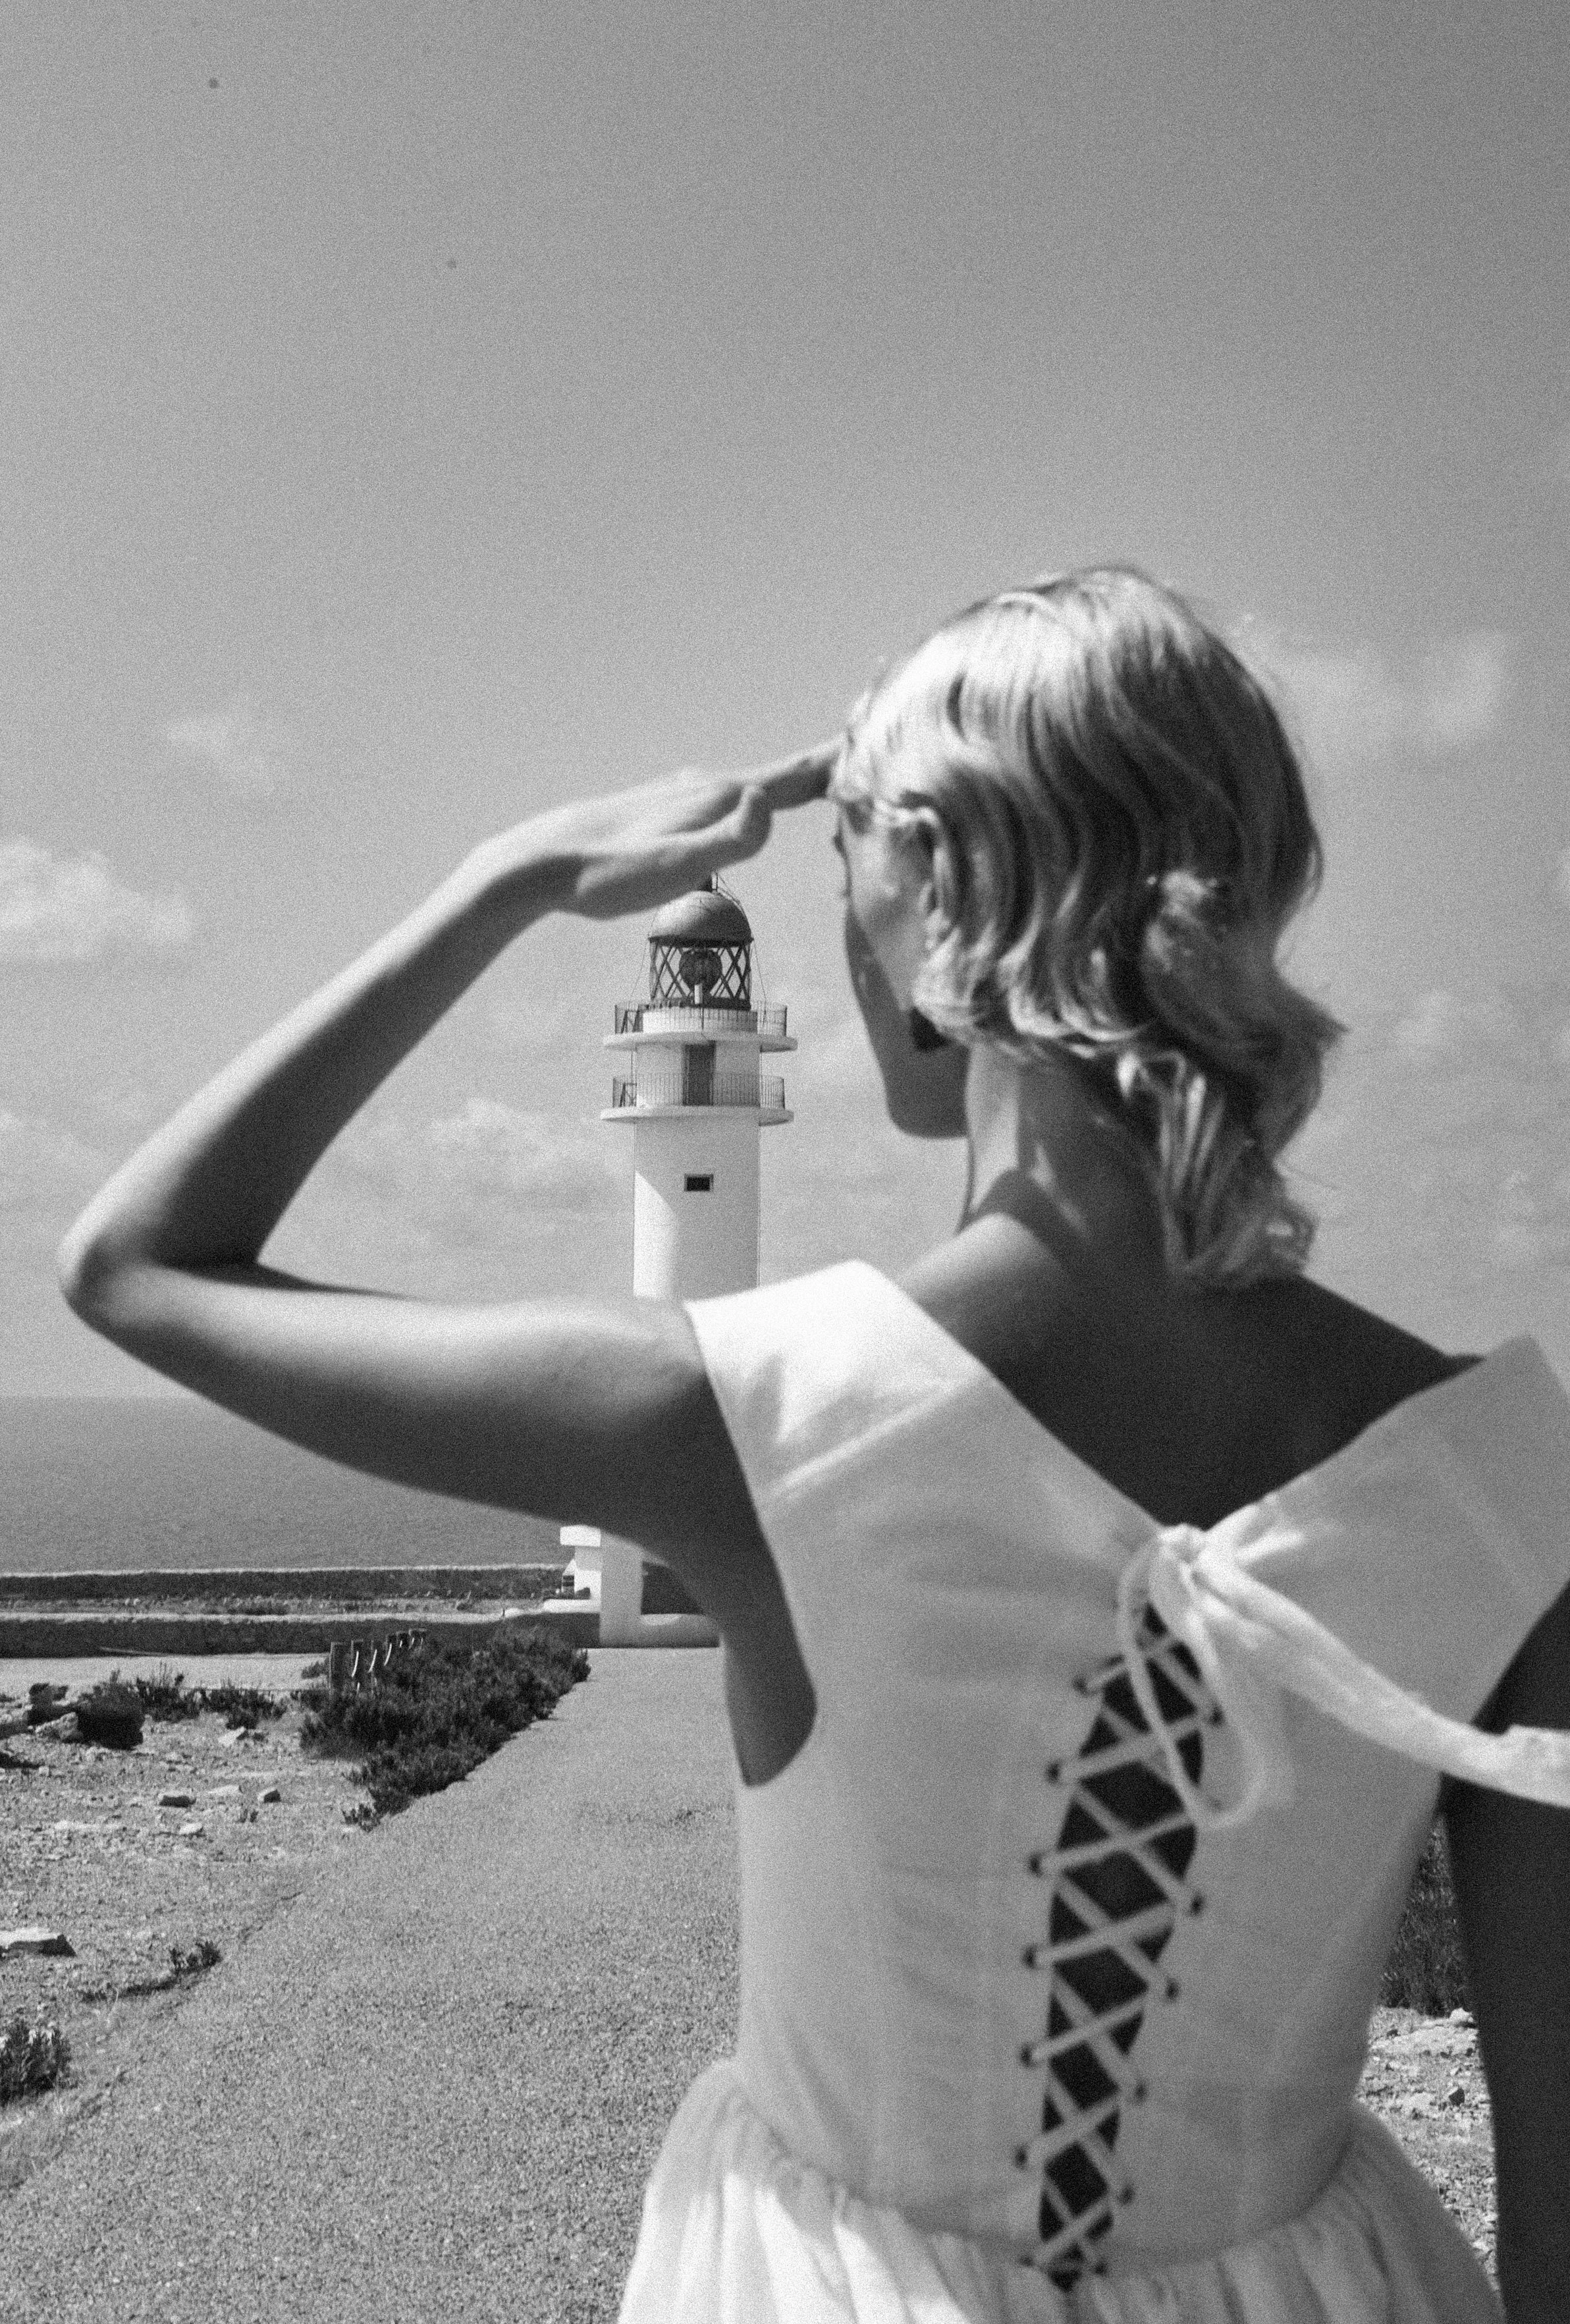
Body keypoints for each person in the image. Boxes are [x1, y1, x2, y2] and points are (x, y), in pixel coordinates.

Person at [59, 567, 1570, 2323]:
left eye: (854, 895)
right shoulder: (1509, 1478)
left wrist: (520, 879)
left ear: (929, 935)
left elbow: (137, 1263)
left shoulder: (764, 1414)